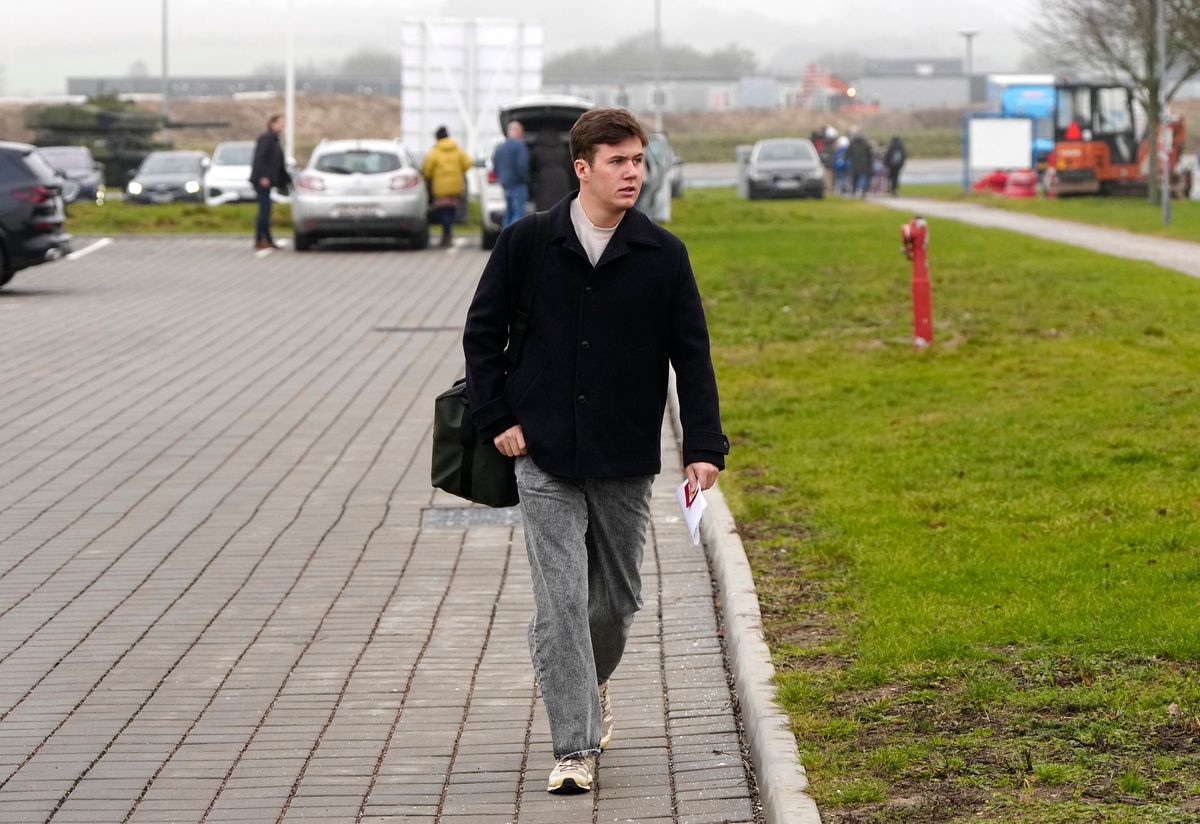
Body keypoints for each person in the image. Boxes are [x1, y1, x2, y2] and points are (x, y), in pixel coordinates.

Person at [462, 108, 729, 795]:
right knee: (560, 605)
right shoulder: (527, 243)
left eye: (638, 159)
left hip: (625, 453)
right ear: (582, 168)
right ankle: (575, 747)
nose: (633, 171)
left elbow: (691, 356)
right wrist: (498, 417)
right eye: (618, 161)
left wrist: (703, 444)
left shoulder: (662, 255)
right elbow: (482, 333)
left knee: (615, 603)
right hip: (542, 452)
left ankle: (582, 675)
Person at [422, 126, 473, 247]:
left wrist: (430, 176)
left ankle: (447, 234)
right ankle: (448, 233)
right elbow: (468, 162)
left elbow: (427, 170)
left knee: (443, 211)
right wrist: (459, 171)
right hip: (456, 186)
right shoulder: (457, 149)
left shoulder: (435, 151)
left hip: (441, 188)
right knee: (450, 210)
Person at [250, 114, 291, 249]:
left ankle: (266, 239)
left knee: (266, 211)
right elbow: (259, 159)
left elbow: (279, 164)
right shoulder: (266, 139)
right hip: (262, 181)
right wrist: (263, 177)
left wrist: (288, 180)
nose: (282, 125)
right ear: (272, 124)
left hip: (268, 181)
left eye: (283, 123)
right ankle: (260, 239)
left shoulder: (274, 140)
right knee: (264, 211)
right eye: (280, 122)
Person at [493, 120, 530, 228]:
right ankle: (513, 238)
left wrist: (501, 178)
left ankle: (505, 238)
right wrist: (526, 179)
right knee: (518, 213)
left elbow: (495, 167)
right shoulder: (519, 146)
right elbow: (522, 166)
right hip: (518, 183)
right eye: (521, 131)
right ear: (518, 131)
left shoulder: (499, 147)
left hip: (505, 184)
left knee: (508, 212)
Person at [529, 129, 574, 209]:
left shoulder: (537, 150)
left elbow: (532, 166)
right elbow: (569, 165)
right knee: (561, 201)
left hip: (544, 177)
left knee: (545, 202)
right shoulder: (562, 149)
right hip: (561, 177)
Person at [848, 129, 873, 197]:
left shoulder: (852, 143)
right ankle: (863, 190)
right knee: (863, 177)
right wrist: (870, 163)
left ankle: (854, 190)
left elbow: (848, 154)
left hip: (854, 164)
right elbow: (869, 155)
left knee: (854, 178)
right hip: (864, 164)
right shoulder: (866, 144)